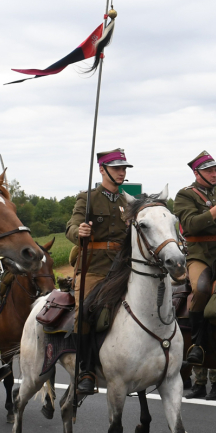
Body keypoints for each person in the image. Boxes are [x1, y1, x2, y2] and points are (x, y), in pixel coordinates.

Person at [66, 148, 133, 396]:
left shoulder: (127, 201)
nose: (122, 172)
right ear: (102, 170)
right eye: (117, 168)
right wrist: (78, 232)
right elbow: (71, 226)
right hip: (94, 266)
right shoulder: (88, 199)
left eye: (124, 168)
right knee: (85, 312)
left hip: (123, 267)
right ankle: (85, 370)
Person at [173, 151, 216, 367]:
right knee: (202, 289)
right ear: (197, 173)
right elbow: (191, 225)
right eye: (209, 171)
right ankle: (197, 344)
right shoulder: (185, 195)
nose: (214, 174)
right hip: (199, 255)